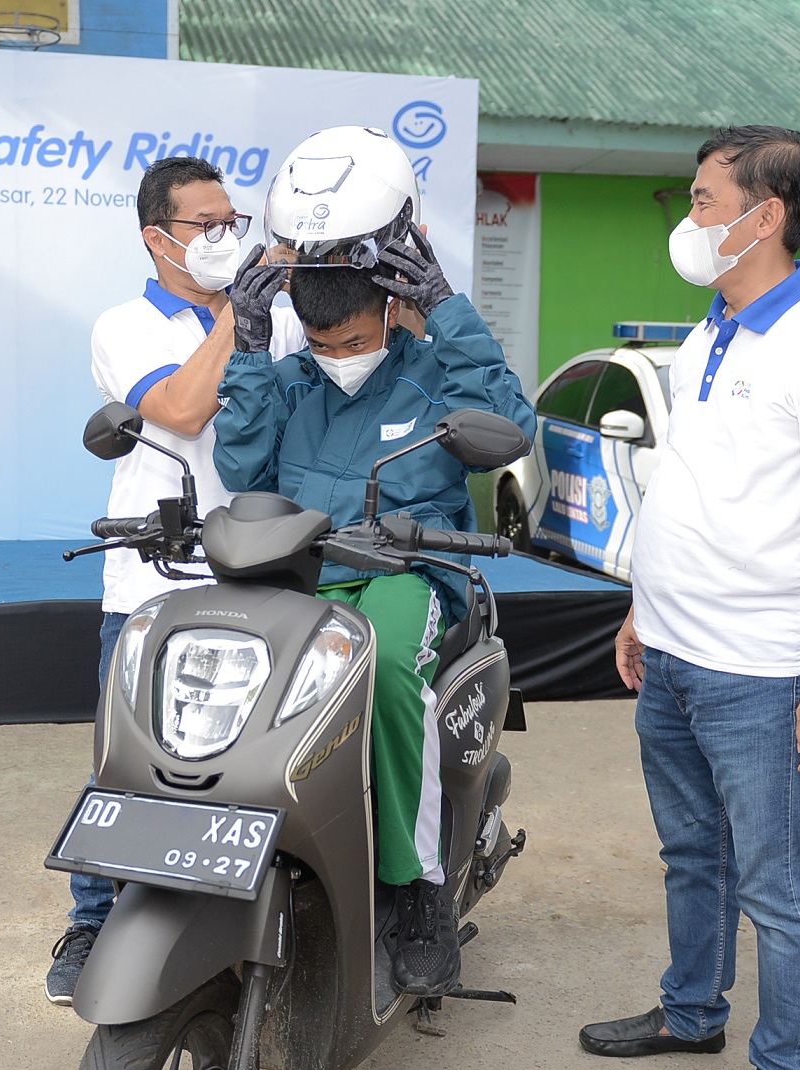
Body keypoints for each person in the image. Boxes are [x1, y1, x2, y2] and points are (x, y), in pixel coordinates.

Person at [578, 126, 800, 1070]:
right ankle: (689, 1012)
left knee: (778, 888)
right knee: (691, 856)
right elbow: (690, 484)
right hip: (669, 652)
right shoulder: (711, 329)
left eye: (704, 201)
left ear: (766, 216)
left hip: (759, 671)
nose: (689, 217)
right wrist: (642, 608)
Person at [212, 125, 536, 997]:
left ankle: (418, 886)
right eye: (320, 344)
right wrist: (248, 348)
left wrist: (449, 309)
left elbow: (510, 430)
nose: (337, 357)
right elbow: (241, 472)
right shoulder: (286, 379)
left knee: (385, 666)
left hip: (407, 578)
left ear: (391, 307)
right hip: (300, 577)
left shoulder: (434, 373)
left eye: (351, 340)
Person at [45, 156, 305, 1006]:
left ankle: (243, 916)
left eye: (234, 221)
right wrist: (240, 311)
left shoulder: (279, 318)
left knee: (251, 754)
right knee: (126, 759)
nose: (226, 236)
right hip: (152, 577)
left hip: (265, 564)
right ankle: (93, 920)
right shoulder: (124, 325)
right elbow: (185, 410)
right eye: (207, 225)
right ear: (158, 239)